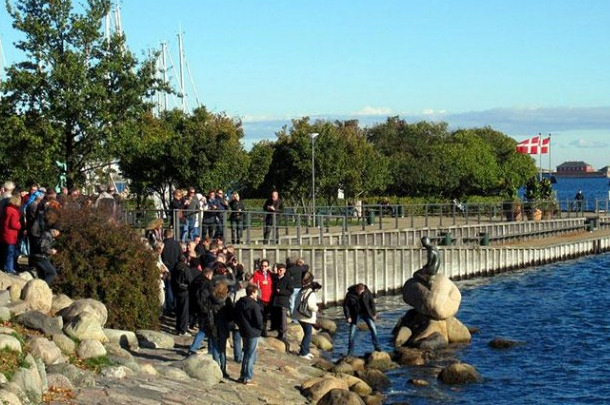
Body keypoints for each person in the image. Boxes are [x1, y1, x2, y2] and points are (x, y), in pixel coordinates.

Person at [234, 284, 263, 385]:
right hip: (253, 332)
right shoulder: (254, 305)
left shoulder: (240, 303)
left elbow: (235, 315)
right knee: (250, 355)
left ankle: (243, 375)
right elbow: (259, 320)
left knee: (246, 353)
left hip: (243, 330)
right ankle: (248, 376)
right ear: (253, 292)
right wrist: (260, 328)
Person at [203, 281, 233, 378]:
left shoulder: (210, 299)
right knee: (222, 349)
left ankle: (216, 368)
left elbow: (205, 311)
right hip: (223, 326)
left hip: (213, 325)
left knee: (215, 348)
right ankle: (223, 369)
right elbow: (230, 315)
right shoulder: (227, 300)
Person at [343, 283, 381, 356]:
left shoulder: (367, 292)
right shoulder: (350, 294)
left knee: (373, 328)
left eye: (362, 291)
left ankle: (377, 347)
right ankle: (350, 352)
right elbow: (346, 306)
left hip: (366, 313)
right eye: (359, 292)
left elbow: (372, 303)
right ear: (356, 289)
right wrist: (348, 317)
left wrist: (374, 314)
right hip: (355, 314)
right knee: (352, 333)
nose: (361, 293)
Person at [294, 272, 321, 360]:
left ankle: (306, 351)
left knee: (307, 333)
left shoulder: (301, 290)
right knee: (308, 334)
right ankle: (304, 352)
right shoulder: (310, 292)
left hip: (299, 315)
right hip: (306, 317)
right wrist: (317, 308)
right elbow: (311, 305)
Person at [271, 263, 293, 344]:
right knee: (278, 319)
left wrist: (281, 291)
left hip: (283, 301)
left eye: (281, 270)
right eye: (278, 270)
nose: (279, 272)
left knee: (283, 319)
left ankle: (283, 335)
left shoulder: (287, 279)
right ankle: (279, 333)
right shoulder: (276, 278)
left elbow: (290, 291)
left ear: (284, 271)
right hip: (276, 301)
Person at [1, 195, 23, 274]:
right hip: (11, 235)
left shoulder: (6, 209)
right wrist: (19, 225)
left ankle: (5, 267)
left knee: (6, 252)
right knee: (10, 253)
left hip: (5, 233)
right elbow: (13, 224)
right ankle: (9, 269)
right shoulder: (14, 211)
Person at [252, 258, 273, 336]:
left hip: (269, 298)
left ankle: (264, 330)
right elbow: (253, 284)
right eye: (262, 266)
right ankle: (259, 329)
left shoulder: (270, 274)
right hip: (260, 298)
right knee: (259, 315)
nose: (263, 267)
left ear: (268, 267)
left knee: (266, 316)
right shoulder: (257, 274)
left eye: (265, 266)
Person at [287, 258, 308, 322]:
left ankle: (294, 318)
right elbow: (307, 267)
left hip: (293, 287)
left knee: (292, 302)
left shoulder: (291, 269)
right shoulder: (301, 268)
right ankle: (298, 317)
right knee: (297, 302)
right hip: (299, 287)